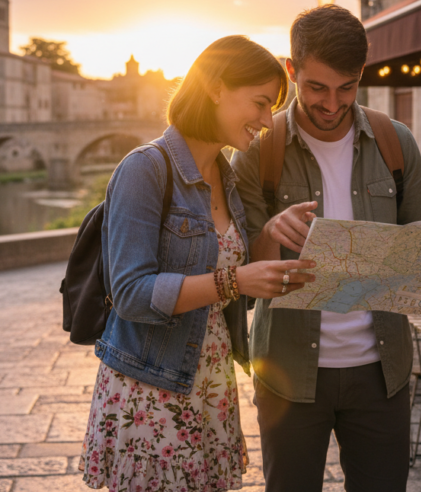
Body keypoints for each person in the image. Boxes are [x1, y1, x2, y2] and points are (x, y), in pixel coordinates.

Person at [230, 5, 421, 492]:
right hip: (287, 372)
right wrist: (271, 232)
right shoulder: (260, 148)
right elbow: (238, 266)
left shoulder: (395, 141)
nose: (331, 103)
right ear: (291, 70)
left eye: (347, 87)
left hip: (381, 371)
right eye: (317, 87)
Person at [80, 35, 317, 492]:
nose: (268, 122)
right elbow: (131, 294)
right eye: (261, 103)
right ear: (215, 87)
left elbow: (234, 291)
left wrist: (267, 236)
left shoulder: (226, 178)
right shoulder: (144, 169)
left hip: (209, 384)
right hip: (152, 389)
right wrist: (232, 280)